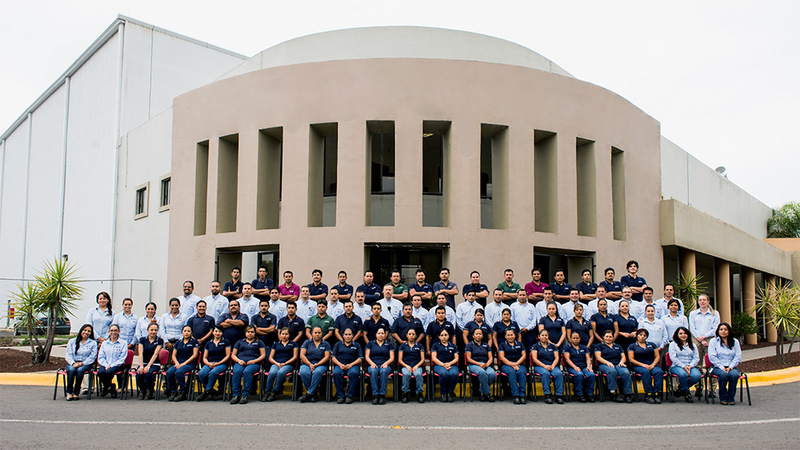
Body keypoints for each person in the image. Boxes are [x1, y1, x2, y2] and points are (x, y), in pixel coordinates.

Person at [229, 325, 266, 405]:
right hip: (240, 362)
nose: (250, 334)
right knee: (237, 371)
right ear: (245, 333)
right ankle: (235, 395)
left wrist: (254, 361)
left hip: (254, 363)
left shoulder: (259, 342)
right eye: (248, 332)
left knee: (247, 372)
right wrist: (239, 361)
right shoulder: (240, 342)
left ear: (255, 333)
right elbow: (233, 355)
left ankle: (245, 395)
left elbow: (263, 355)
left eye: (252, 332)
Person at [594, 329, 633, 403]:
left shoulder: (617, 346)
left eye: (610, 337)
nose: (608, 338)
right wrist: (607, 363)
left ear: (613, 338)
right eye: (606, 336)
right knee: (612, 371)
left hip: (617, 363)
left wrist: (622, 362)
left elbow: (623, 356)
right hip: (604, 364)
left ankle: (627, 394)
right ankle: (613, 392)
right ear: (603, 337)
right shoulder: (599, 346)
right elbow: (598, 357)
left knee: (625, 372)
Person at [708, 322, 742, 405]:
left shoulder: (735, 341)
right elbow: (712, 356)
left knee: (734, 375)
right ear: (718, 331)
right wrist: (721, 367)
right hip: (717, 367)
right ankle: (723, 397)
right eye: (721, 329)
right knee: (723, 375)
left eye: (725, 330)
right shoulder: (713, 341)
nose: (723, 331)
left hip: (731, 367)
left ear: (729, 331)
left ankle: (731, 398)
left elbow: (738, 356)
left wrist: (730, 367)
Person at [627, 329, 664, 404]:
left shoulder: (652, 344)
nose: (642, 337)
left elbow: (657, 356)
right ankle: (648, 394)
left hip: (651, 364)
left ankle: (656, 393)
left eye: (644, 335)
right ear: (637, 336)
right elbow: (631, 359)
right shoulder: (632, 346)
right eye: (640, 335)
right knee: (646, 372)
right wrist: (643, 365)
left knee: (659, 372)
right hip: (639, 365)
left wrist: (653, 365)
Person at [195, 325, 231, 402]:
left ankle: (206, 392)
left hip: (222, 364)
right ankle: (212, 391)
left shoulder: (226, 342)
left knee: (213, 373)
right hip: (210, 363)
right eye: (216, 331)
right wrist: (208, 363)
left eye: (219, 331)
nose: (217, 333)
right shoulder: (209, 343)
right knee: (201, 373)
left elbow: (227, 356)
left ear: (222, 333)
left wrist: (218, 363)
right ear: (213, 332)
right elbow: (204, 357)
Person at [264, 328, 300, 401]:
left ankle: (274, 391)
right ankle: (267, 391)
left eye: (286, 334)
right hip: (276, 363)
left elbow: (295, 357)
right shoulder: (276, 344)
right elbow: (270, 357)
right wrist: (277, 363)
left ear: (289, 335)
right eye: (282, 334)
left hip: (288, 364)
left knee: (281, 373)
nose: (284, 336)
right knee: (272, 372)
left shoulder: (293, 344)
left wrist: (285, 363)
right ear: (280, 335)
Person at [689, 294, 720, 377]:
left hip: (710, 340)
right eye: (700, 300)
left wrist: (704, 337)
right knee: (697, 364)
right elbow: (692, 328)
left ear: (708, 301)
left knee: (711, 363)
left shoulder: (715, 314)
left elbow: (715, 328)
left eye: (704, 300)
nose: (702, 302)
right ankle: (699, 386)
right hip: (696, 339)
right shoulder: (693, 314)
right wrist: (701, 339)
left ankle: (711, 388)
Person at [669, 326, 702, 403]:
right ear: (677, 335)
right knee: (683, 375)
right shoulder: (673, 344)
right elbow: (673, 358)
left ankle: (681, 388)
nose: (683, 335)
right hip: (677, 366)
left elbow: (696, 358)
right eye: (680, 333)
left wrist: (690, 366)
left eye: (685, 333)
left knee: (697, 376)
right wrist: (683, 366)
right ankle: (687, 392)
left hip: (691, 366)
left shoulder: (692, 345)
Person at [166, 325, 199, 402]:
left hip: (189, 363)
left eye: (188, 331)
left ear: (191, 333)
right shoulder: (178, 343)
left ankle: (182, 392)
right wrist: (177, 363)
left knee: (179, 372)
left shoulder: (194, 342)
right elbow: (174, 355)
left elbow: (195, 355)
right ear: (182, 332)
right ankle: (173, 391)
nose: (186, 333)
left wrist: (184, 363)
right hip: (178, 363)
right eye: (185, 331)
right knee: (169, 372)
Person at [298, 326, 331, 403]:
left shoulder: (326, 344)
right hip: (307, 363)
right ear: (312, 333)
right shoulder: (307, 342)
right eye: (315, 333)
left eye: (319, 333)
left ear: (322, 334)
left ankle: (309, 393)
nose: (317, 334)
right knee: (303, 372)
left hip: (321, 364)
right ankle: (313, 393)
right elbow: (302, 355)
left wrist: (317, 364)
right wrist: (310, 364)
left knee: (317, 372)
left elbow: (327, 357)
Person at [531, 329, 564, 404]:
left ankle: (559, 395)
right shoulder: (535, 346)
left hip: (552, 365)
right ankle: (547, 395)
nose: (544, 337)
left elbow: (557, 358)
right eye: (542, 335)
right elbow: (534, 359)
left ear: (548, 336)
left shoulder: (553, 346)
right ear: (539, 337)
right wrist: (544, 366)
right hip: (540, 366)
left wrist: (552, 366)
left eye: (546, 335)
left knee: (559, 374)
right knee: (545, 374)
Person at [64, 324, 97, 401]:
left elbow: (92, 357)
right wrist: (73, 363)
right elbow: (69, 355)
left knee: (80, 370)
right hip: (73, 363)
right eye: (85, 330)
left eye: (89, 331)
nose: (86, 332)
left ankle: (76, 392)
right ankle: (69, 392)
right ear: (81, 331)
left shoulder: (93, 343)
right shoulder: (72, 341)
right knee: (71, 370)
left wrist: (82, 364)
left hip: (85, 364)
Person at [562, 331, 595, 403]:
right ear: (570, 339)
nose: (575, 339)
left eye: (577, 338)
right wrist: (575, 367)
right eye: (573, 338)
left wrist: (589, 366)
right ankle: (579, 394)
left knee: (591, 374)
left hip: (583, 366)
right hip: (572, 367)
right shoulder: (567, 347)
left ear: (580, 339)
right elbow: (567, 359)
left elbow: (588, 358)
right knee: (579, 374)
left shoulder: (584, 347)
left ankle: (590, 394)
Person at [331, 328, 363, 404]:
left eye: (349, 334)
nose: (347, 336)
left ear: (352, 335)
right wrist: (340, 364)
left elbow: (360, 358)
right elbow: (333, 357)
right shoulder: (338, 344)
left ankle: (349, 395)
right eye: (346, 334)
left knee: (354, 373)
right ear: (343, 335)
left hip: (353, 365)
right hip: (340, 365)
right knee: (336, 373)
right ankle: (340, 395)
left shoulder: (357, 345)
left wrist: (351, 364)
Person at [96, 324, 128, 398]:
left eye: (115, 330)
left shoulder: (123, 343)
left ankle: (105, 388)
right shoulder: (104, 343)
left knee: (109, 372)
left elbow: (122, 358)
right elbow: (101, 357)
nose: (113, 332)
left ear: (119, 332)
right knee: (100, 372)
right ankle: (111, 387)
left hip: (118, 365)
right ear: (108, 332)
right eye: (111, 330)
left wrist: (111, 366)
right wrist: (106, 365)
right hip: (106, 364)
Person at [365, 327, 395, 405]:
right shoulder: (370, 344)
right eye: (379, 333)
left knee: (384, 372)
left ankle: (382, 395)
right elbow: (367, 357)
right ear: (376, 335)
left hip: (385, 365)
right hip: (373, 364)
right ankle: (375, 395)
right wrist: (371, 363)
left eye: (382, 333)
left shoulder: (389, 344)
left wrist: (386, 363)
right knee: (373, 371)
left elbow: (392, 358)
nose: (380, 335)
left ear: (385, 335)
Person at [498, 328, 527, 404]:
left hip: (519, 364)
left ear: (514, 335)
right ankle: (516, 395)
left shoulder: (520, 344)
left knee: (522, 372)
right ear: (505, 336)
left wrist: (516, 363)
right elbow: (501, 357)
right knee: (511, 373)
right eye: (508, 335)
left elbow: (523, 356)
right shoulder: (502, 345)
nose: (510, 337)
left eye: (511, 335)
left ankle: (522, 395)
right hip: (507, 365)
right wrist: (512, 364)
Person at [465, 328, 496, 402]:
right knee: (482, 373)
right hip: (474, 364)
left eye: (480, 334)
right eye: (476, 334)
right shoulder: (469, 345)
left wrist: (486, 364)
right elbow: (468, 359)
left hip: (485, 364)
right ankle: (488, 394)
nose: (478, 336)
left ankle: (482, 391)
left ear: (482, 335)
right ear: (473, 335)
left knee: (492, 374)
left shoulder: (486, 345)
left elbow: (491, 357)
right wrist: (479, 364)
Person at [135, 322, 163, 400]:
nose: (153, 332)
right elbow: (140, 353)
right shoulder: (142, 340)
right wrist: (141, 366)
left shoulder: (159, 340)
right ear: (147, 330)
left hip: (154, 363)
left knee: (148, 373)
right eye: (151, 330)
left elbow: (156, 354)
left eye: (155, 330)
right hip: (143, 362)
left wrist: (148, 366)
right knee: (139, 373)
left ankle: (149, 390)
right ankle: (142, 390)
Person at [431, 328, 459, 402]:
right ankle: (443, 393)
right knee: (444, 373)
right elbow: (434, 358)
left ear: (448, 336)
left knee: (454, 373)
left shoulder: (453, 346)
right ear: (439, 337)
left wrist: (449, 363)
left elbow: (456, 358)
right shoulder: (435, 345)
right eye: (442, 335)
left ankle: (450, 392)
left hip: (451, 364)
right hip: (439, 365)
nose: (444, 337)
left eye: (445, 335)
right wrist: (443, 365)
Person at [398, 329, 426, 403]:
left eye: (413, 334)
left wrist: (417, 366)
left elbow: (423, 359)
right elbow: (400, 360)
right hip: (406, 366)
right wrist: (407, 366)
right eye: (409, 334)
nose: (411, 336)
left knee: (418, 374)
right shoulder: (403, 346)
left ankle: (420, 393)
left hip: (417, 365)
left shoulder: (419, 345)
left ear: (416, 336)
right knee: (406, 374)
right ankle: (405, 393)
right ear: (406, 335)